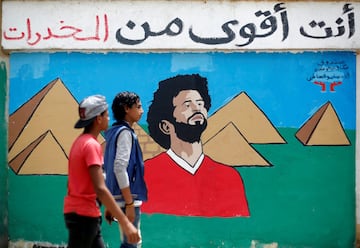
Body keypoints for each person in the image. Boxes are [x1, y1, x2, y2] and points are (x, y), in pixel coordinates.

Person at [141, 74, 250, 217]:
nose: (196, 109)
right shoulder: (145, 175)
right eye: (187, 105)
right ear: (166, 126)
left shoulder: (229, 177)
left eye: (200, 104)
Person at [63, 94, 140, 248]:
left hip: (81, 213)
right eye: (106, 115)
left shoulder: (79, 143)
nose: (108, 119)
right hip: (84, 216)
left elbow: (72, 183)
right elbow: (100, 188)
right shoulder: (92, 145)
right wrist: (125, 223)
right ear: (98, 119)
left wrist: (104, 205)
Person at [104, 92, 148, 248]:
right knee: (132, 243)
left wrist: (111, 204)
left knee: (129, 241)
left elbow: (107, 169)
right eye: (139, 107)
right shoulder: (125, 133)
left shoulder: (113, 132)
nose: (142, 111)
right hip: (127, 198)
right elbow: (119, 167)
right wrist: (129, 203)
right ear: (126, 109)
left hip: (118, 197)